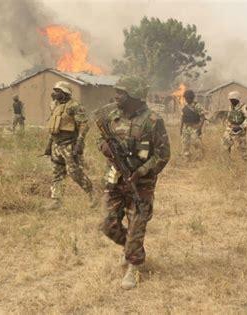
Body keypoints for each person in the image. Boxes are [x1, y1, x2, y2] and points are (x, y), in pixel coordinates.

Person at [97, 76, 170, 290]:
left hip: (141, 184)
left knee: (137, 225)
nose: (116, 96)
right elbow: (99, 139)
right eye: (117, 92)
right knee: (108, 226)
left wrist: (142, 171)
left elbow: (163, 154)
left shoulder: (153, 121)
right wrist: (104, 147)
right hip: (115, 180)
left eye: (121, 93)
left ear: (134, 96)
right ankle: (131, 248)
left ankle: (134, 265)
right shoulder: (113, 117)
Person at [43, 81, 94, 210]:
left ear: (65, 92)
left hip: (69, 145)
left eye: (58, 91)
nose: (55, 93)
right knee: (57, 174)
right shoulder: (56, 106)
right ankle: (56, 201)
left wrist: (80, 142)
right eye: (55, 91)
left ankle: (93, 194)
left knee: (74, 172)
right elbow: (54, 127)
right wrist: (49, 145)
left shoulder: (75, 106)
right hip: (57, 145)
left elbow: (84, 125)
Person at [222, 91, 247, 161]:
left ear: (237, 99)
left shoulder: (243, 107)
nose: (231, 101)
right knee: (225, 144)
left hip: (240, 130)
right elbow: (229, 118)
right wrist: (228, 126)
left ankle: (245, 162)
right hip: (230, 129)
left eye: (232, 100)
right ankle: (227, 160)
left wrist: (240, 126)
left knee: (242, 147)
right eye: (230, 100)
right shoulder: (230, 107)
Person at [180, 90, 206, 161]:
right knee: (185, 143)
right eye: (186, 98)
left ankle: (199, 157)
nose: (187, 100)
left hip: (194, 126)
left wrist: (199, 127)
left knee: (196, 143)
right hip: (186, 128)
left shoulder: (197, 106)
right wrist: (181, 128)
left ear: (192, 98)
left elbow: (203, 117)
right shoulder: (185, 107)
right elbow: (182, 118)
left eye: (189, 98)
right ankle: (187, 158)